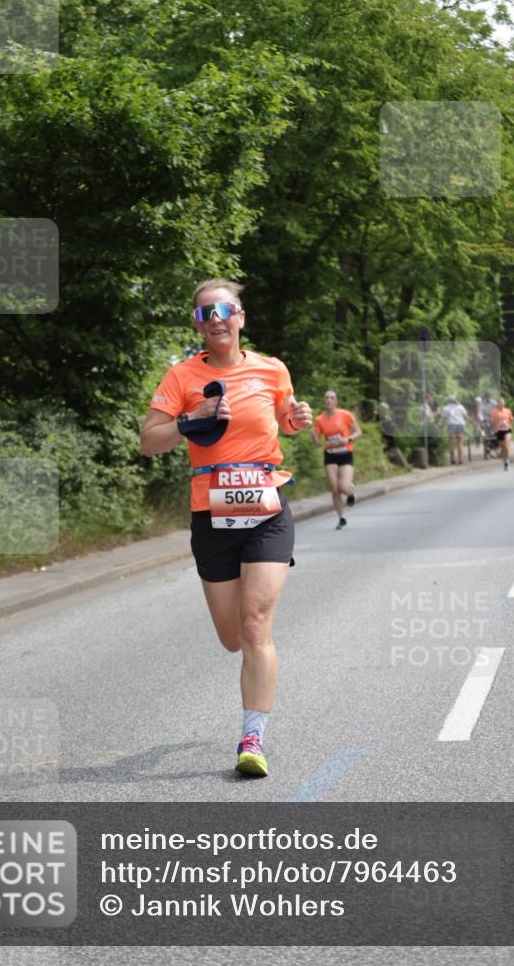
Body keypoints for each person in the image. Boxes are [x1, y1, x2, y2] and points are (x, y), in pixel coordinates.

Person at [140, 278, 312, 777]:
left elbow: (285, 417)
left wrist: (297, 418)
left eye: (224, 310)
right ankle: (251, 710)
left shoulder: (271, 368)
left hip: (266, 506)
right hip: (211, 514)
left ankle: (252, 738)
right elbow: (149, 441)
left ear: (240, 317)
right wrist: (189, 420)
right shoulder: (182, 376)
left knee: (256, 623)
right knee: (232, 637)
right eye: (204, 313)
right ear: (197, 324)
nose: (215, 319)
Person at [312, 390, 362, 529]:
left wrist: (348, 439)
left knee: (343, 487)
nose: (329, 400)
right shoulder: (319, 419)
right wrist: (314, 435)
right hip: (330, 454)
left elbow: (358, 432)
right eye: (326, 398)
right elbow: (317, 442)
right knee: (334, 488)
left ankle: (349, 492)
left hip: (345, 453)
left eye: (332, 398)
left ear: (336, 401)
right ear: (324, 400)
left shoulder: (345, 415)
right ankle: (341, 518)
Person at [441, 394, 468, 465]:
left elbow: (443, 418)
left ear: (448, 401)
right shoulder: (461, 407)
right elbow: (466, 417)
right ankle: (460, 459)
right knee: (460, 443)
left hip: (451, 425)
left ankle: (452, 460)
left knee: (452, 443)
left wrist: (441, 426)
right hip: (460, 425)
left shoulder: (446, 408)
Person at [490, 397, 514, 471]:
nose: (501, 404)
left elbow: (511, 419)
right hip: (499, 430)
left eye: (502, 402)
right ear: (497, 404)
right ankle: (505, 461)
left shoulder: (507, 410)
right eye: (500, 402)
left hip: (507, 429)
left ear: (504, 403)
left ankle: (507, 462)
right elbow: (492, 421)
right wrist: (494, 422)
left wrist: (508, 421)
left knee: (506, 446)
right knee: (502, 448)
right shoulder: (494, 411)